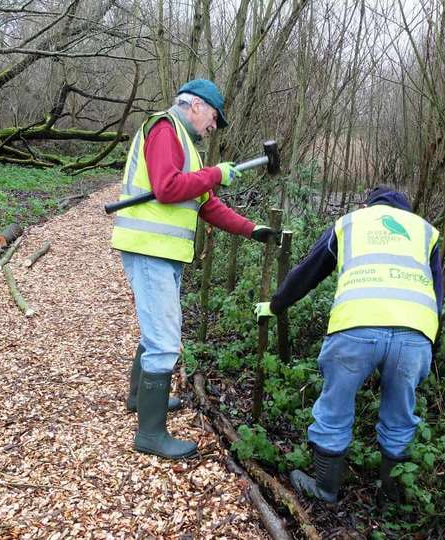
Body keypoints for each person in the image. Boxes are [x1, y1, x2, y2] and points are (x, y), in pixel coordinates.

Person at [112, 79, 278, 460]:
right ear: (196, 106)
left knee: (156, 328)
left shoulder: (188, 149)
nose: (213, 127)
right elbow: (168, 188)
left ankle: (140, 400)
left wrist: (253, 229)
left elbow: (207, 206)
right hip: (149, 249)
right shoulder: (166, 129)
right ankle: (150, 435)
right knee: (166, 339)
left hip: (163, 252)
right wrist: (217, 174)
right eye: (215, 118)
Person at [255, 186, 443, 505]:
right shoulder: (425, 231)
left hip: (355, 327)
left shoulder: (350, 223)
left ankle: (326, 488)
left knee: (335, 407)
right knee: (401, 413)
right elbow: (437, 297)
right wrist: (431, 346)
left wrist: (276, 304)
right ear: (406, 211)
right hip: (415, 334)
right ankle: (390, 496)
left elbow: (308, 272)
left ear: (367, 204)